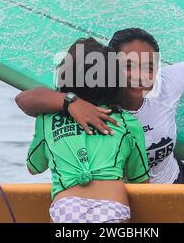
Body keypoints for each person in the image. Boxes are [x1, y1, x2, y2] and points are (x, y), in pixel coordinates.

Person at [17, 14, 184, 184]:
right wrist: (71, 103)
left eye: (148, 67)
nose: (140, 76)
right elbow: (27, 99)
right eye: (129, 66)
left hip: (174, 187)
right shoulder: (92, 97)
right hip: (119, 204)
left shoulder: (166, 84)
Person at [26, 38, 149, 223]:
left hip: (66, 210)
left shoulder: (47, 119)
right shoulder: (127, 122)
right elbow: (141, 182)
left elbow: (33, 167)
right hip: (112, 208)